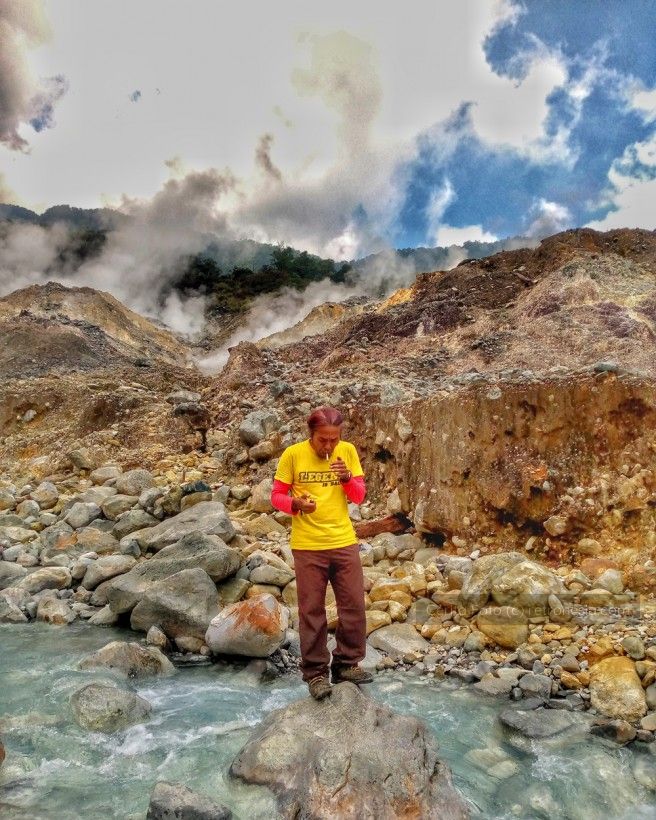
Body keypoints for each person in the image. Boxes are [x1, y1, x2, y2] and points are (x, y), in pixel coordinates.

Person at [270, 406, 372, 700]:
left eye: (334, 439)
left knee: (353, 605)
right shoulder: (293, 455)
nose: (328, 445)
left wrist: (346, 479)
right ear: (310, 434)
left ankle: (346, 664)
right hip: (308, 545)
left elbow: (359, 496)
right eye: (322, 440)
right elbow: (277, 496)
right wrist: (297, 505)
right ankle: (315, 674)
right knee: (312, 610)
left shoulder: (348, 452)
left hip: (343, 540)